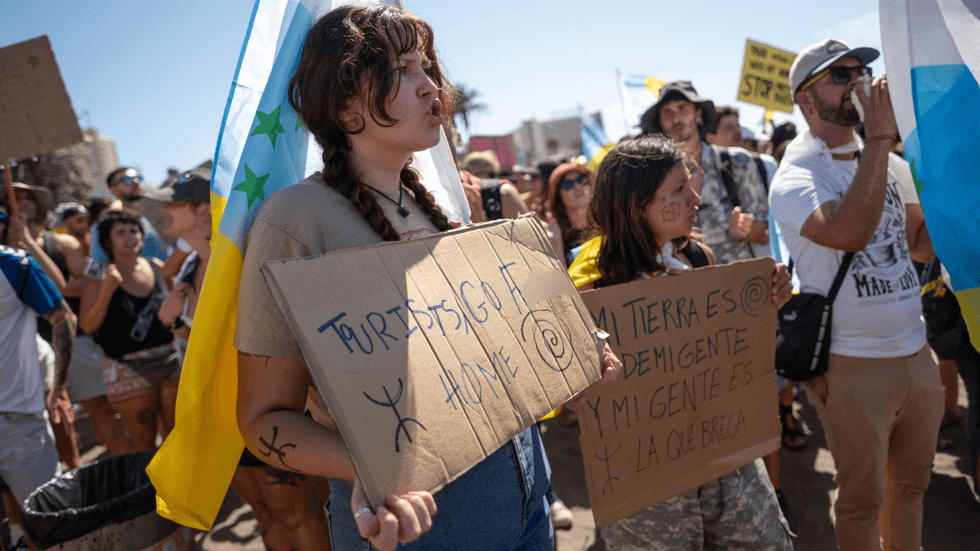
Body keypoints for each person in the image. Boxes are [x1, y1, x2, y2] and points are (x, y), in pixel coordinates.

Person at [234, 6, 620, 551]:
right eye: (402, 70)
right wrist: (373, 472)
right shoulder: (294, 220)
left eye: (427, 68)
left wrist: (570, 361)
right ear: (344, 102)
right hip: (424, 527)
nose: (430, 86)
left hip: (528, 496)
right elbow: (262, 422)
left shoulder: (442, 203)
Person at [566, 135, 793, 550]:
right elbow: (561, 393)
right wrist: (572, 381)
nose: (696, 199)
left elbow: (728, 352)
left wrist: (765, 305)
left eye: (691, 186)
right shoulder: (589, 289)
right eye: (678, 190)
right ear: (636, 203)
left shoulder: (701, 260)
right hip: (647, 486)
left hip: (729, 459)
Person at [769, 38, 944, 551]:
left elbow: (915, 246)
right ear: (805, 100)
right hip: (851, 364)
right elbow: (848, 232)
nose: (858, 83)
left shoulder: (889, 166)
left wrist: (949, 192)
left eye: (860, 72)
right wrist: (880, 139)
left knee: (910, 488)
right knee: (862, 501)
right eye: (839, 76)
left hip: (915, 353)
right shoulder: (798, 175)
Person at [151, 168, 332, 550]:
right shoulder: (188, 268)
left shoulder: (243, 257)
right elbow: (210, 343)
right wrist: (175, 326)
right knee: (264, 515)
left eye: (175, 202)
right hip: (220, 413)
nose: (165, 210)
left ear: (205, 210)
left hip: (264, 408)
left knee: (296, 514)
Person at [79, 210, 180, 452]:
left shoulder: (156, 266)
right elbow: (87, 325)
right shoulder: (100, 276)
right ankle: (149, 490)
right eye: (121, 232)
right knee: (144, 442)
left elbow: (177, 305)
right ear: (107, 241)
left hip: (170, 359)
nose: (130, 237)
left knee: (178, 436)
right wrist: (106, 292)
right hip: (126, 367)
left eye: (134, 231)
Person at [640, 82, 769, 264]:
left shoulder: (737, 162)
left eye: (682, 108)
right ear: (659, 123)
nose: (676, 118)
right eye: (667, 112)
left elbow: (765, 231)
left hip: (740, 282)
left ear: (698, 115)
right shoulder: (653, 178)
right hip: (685, 286)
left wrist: (745, 229)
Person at [0, 243, 77, 546]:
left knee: (55, 527)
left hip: (16, 422)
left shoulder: (12, 264)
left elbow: (64, 319)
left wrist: (58, 386)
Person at [545, 163, 594, 267]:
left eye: (582, 180)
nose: (577, 186)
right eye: (568, 184)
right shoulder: (554, 234)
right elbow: (560, 281)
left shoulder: (608, 222)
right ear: (558, 195)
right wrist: (556, 242)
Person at [461, 150, 528, 221]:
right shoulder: (462, 201)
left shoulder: (502, 193)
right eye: (492, 174)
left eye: (497, 174)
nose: (496, 179)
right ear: (474, 174)